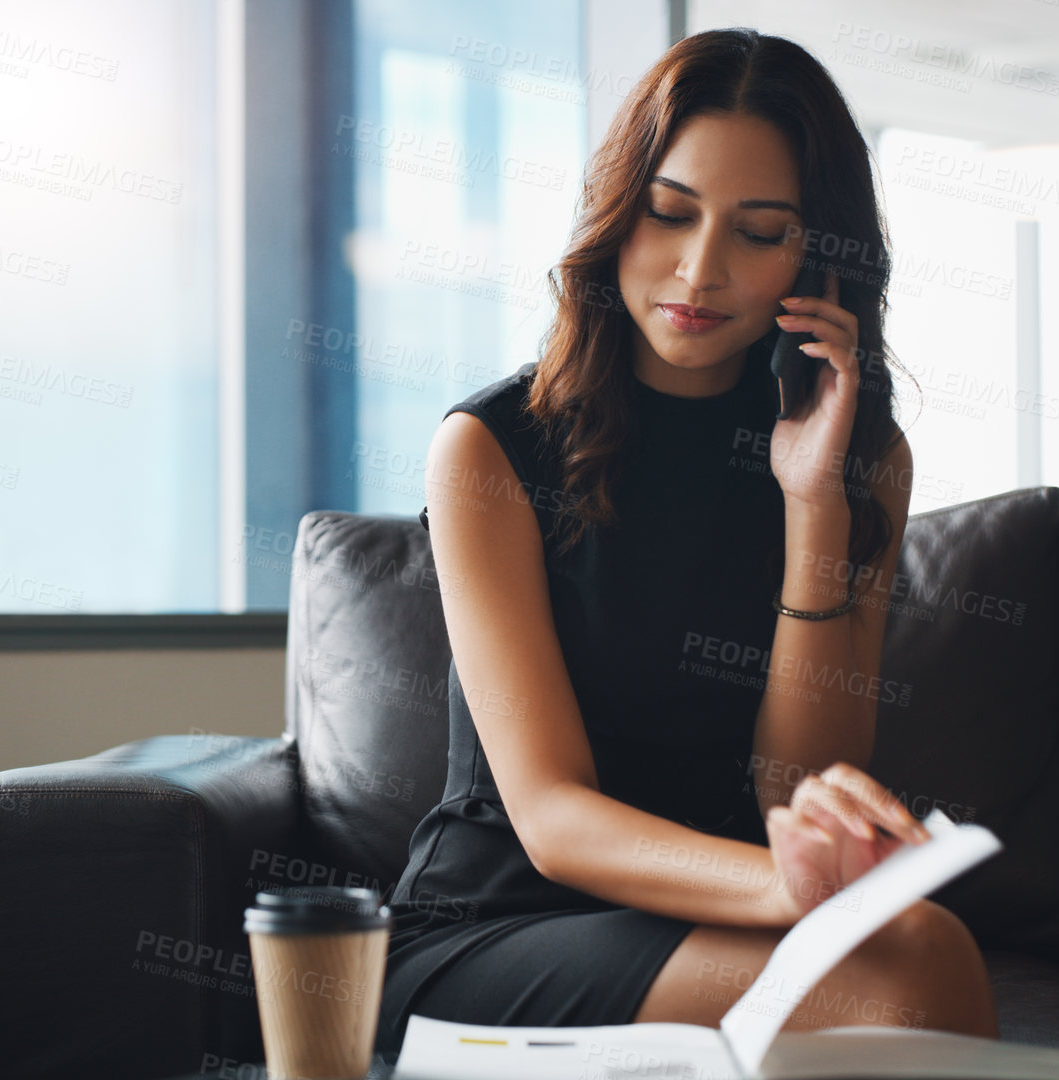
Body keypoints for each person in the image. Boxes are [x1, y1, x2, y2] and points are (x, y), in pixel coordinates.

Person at [377, 27, 999, 1058]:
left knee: (912, 958)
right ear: (619, 216)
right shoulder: (489, 448)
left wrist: (814, 503)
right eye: (669, 214)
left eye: (760, 233)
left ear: (817, 259)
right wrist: (792, 888)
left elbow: (792, 789)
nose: (699, 270)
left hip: (723, 915)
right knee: (912, 961)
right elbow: (551, 819)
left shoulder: (859, 458)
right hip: (494, 927)